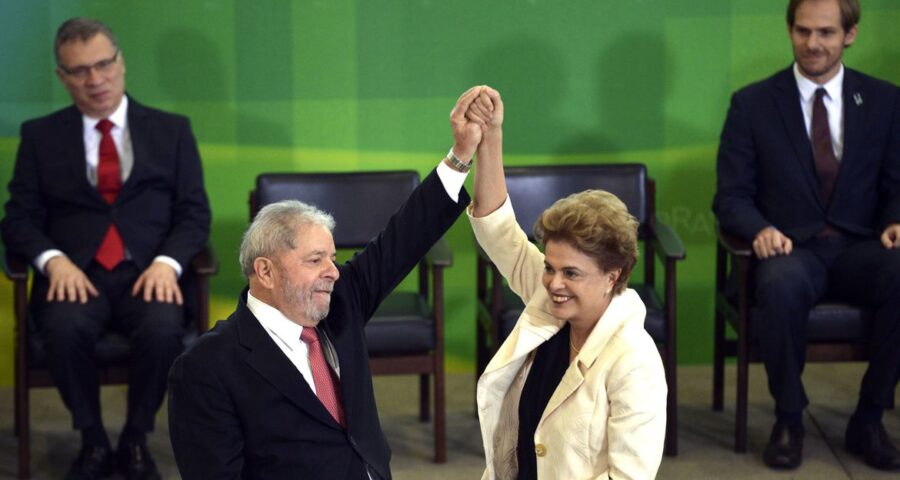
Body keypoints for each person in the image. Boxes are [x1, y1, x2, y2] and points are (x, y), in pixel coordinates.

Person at [166, 86, 486, 479]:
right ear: (265, 271)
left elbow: (402, 239)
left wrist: (460, 153)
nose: (333, 272)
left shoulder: (340, 304)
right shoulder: (207, 367)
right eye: (315, 260)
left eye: (332, 258)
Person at [0, 17, 211, 480]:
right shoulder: (40, 136)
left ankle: (136, 439)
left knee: (162, 329)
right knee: (63, 327)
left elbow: (194, 213)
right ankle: (92, 439)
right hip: (76, 278)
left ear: (121, 63)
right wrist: (53, 262)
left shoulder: (171, 131)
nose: (94, 80)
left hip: (148, 274)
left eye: (103, 65)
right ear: (62, 77)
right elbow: (18, 218)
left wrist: (167, 263)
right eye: (79, 71)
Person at [713, 0, 900, 471]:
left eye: (826, 33)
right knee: (778, 284)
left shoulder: (885, 101)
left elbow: (898, 185)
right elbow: (731, 196)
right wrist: (759, 229)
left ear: (849, 35)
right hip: (791, 248)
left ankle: (869, 418)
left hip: (863, 246)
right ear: (790, 31)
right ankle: (789, 420)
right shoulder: (752, 103)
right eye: (802, 31)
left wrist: (898, 217)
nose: (812, 43)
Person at [467, 86, 667, 479]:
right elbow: (497, 230)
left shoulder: (634, 361)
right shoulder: (551, 300)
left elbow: (628, 476)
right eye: (550, 267)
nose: (554, 283)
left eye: (572, 273)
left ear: (614, 276)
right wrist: (491, 136)